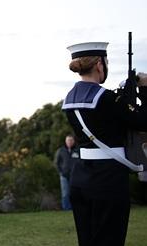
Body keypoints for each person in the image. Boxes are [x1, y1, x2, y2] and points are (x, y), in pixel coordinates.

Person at [62, 41, 147, 245]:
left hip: (80, 176)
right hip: (108, 179)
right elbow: (143, 121)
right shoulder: (108, 99)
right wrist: (144, 89)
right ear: (100, 64)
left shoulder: (69, 99)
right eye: (106, 61)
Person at [53, 134, 79, 210]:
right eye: (68, 140)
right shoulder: (61, 150)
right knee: (65, 193)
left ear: (74, 141)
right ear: (65, 141)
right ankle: (66, 208)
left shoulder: (77, 150)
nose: (70, 142)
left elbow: (81, 162)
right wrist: (61, 172)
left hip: (75, 176)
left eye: (71, 140)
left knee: (74, 192)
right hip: (64, 176)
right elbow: (56, 163)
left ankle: (76, 207)